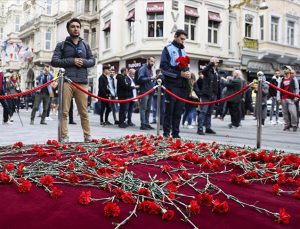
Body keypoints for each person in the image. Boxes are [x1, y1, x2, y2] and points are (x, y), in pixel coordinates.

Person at [51, 18, 95, 142]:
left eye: (78, 26)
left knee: (84, 112)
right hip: (66, 81)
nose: (76, 29)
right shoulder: (62, 45)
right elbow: (54, 61)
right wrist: (72, 61)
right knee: (64, 111)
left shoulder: (85, 44)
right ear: (68, 29)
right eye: (73, 26)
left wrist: (84, 62)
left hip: (82, 82)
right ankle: (64, 136)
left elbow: (92, 60)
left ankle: (87, 136)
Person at [160, 29, 190, 138]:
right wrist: (179, 74)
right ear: (175, 36)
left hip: (182, 86)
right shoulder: (167, 49)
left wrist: (187, 74)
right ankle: (166, 133)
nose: (183, 41)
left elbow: (186, 67)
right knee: (169, 111)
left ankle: (176, 133)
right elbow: (164, 68)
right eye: (181, 39)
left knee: (178, 111)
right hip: (171, 85)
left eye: (184, 40)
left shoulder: (184, 51)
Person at [196, 57, 220, 135]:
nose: (217, 62)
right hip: (206, 94)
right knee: (203, 111)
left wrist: (217, 95)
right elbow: (203, 71)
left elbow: (217, 84)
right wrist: (211, 63)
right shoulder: (207, 70)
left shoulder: (216, 71)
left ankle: (208, 128)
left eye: (217, 62)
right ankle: (200, 128)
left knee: (209, 112)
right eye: (215, 61)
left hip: (213, 94)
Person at [278, 66, 299, 131]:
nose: (284, 70)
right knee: (285, 113)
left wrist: (296, 96)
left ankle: (294, 125)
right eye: (284, 69)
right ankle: (286, 125)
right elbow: (278, 89)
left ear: (289, 70)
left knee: (293, 113)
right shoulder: (281, 79)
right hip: (283, 98)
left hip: (291, 98)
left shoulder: (293, 79)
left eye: (286, 69)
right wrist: (279, 98)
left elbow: (296, 88)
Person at [137, 57, 156, 130]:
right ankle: (143, 124)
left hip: (150, 91)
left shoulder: (150, 69)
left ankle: (147, 123)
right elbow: (140, 79)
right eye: (151, 61)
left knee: (148, 109)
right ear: (147, 60)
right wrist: (150, 78)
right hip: (145, 91)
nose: (152, 63)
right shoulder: (143, 68)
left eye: (154, 62)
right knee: (143, 108)